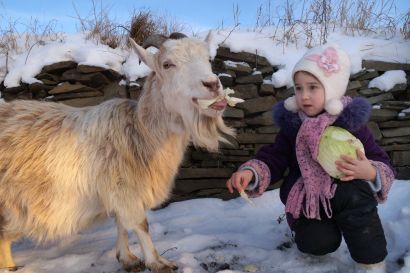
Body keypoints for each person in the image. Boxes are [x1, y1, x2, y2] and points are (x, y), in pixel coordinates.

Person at [226, 45, 395, 273]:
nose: (304, 95)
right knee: (316, 244)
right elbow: (274, 157)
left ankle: (370, 262)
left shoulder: (351, 123)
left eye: (313, 87)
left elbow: (379, 159)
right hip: (309, 200)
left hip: (349, 194)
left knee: (356, 195)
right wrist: (251, 172)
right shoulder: (293, 127)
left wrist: (371, 172)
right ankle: (321, 230)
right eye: (298, 88)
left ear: (332, 89)